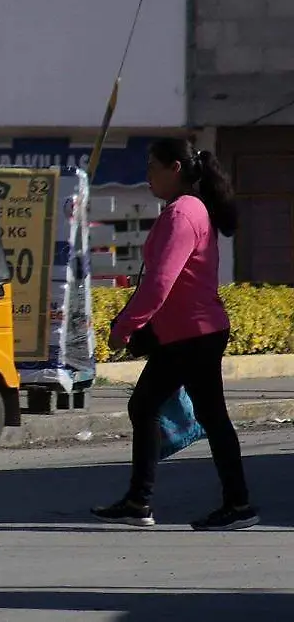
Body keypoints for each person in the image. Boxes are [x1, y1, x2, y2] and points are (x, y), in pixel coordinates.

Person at [91, 138, 257, 531]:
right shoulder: (186, 210)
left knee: (201, 415)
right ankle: (140, 501)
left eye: (152, 167)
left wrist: (124, 327)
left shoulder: (183, 213)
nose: (146, 176)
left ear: (175, 169)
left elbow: (158, 284)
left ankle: (236, 505)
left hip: (193, 335)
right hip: (189, 333)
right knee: (152, 407)